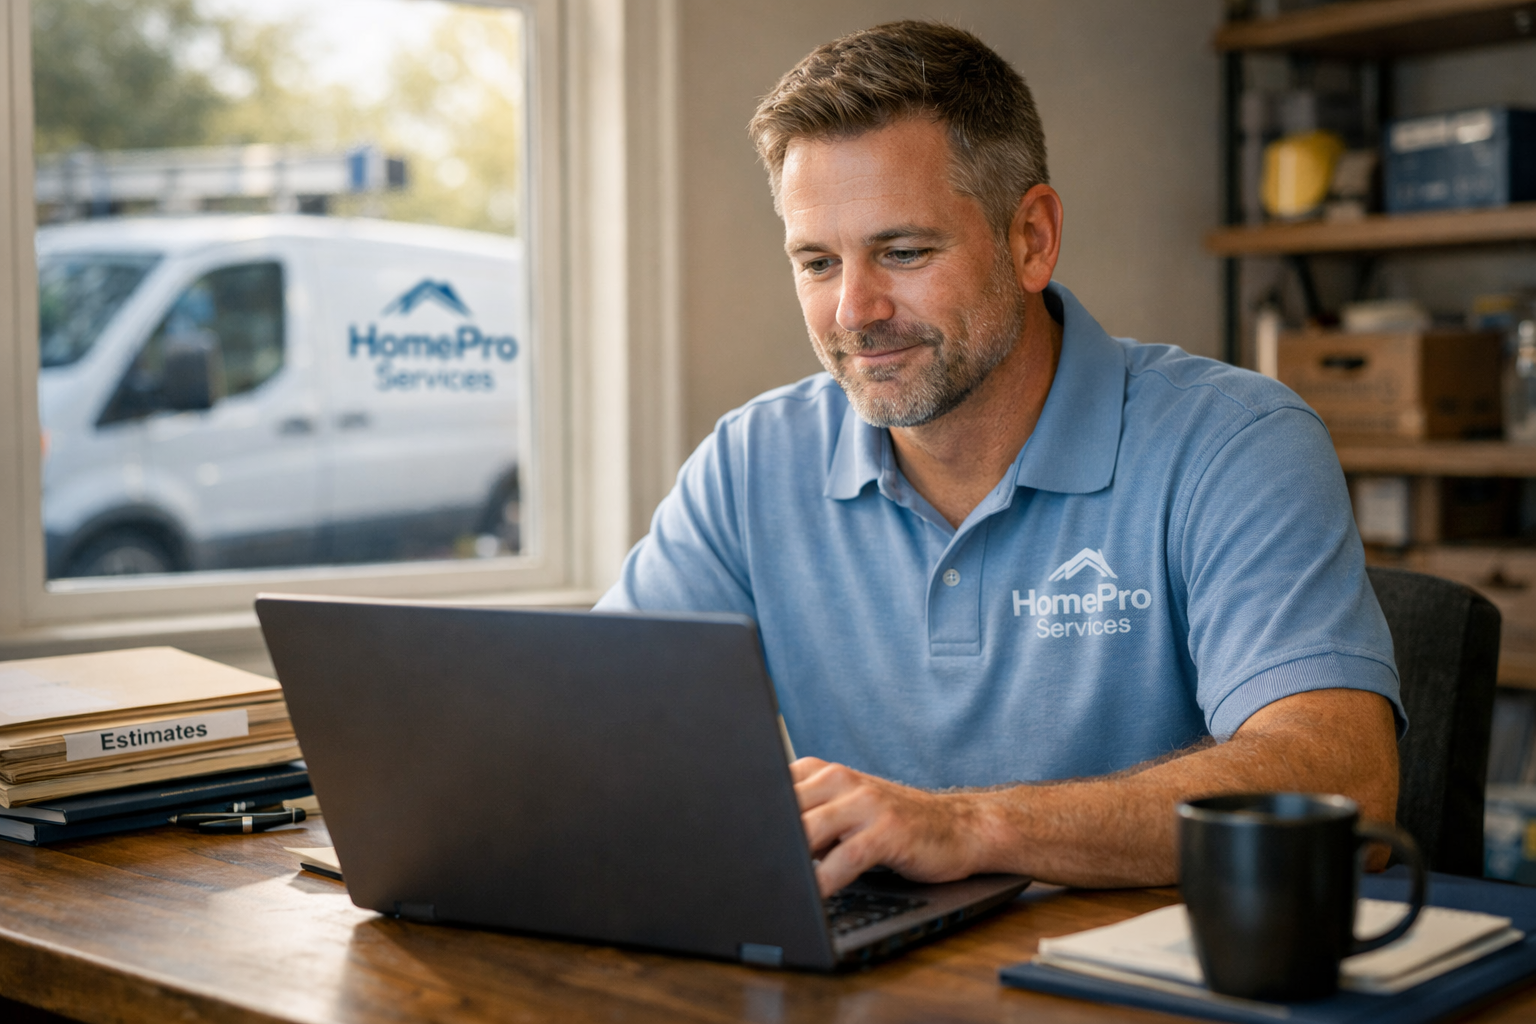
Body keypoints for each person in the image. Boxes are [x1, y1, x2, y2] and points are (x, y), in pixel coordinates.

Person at [595, 21, 1402, 895]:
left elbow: (1346, 784)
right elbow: (584, 728)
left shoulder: (1235, 443)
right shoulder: (750, 463)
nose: (853, 311)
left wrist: (970, 826)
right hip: (883, 979)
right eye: (818, 262)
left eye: (903, 252)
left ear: (1032, 239)